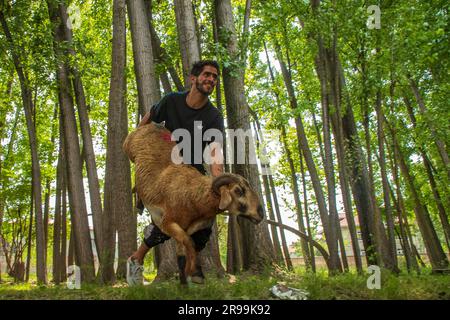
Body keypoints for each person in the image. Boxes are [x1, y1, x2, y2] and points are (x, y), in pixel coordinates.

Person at [126, 60, 224, 286]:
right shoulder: (171, 101)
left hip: (193, 174)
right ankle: (136, 259)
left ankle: (186, 274)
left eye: (214, 77)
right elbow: (147, 121)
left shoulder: (214, 117)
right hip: (165, 174)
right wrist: (140, 149)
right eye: (207, 75)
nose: (211, 79)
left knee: (203, 225)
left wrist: (219, 182)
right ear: (193, 79)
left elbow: (215, 154)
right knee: (167, 223)